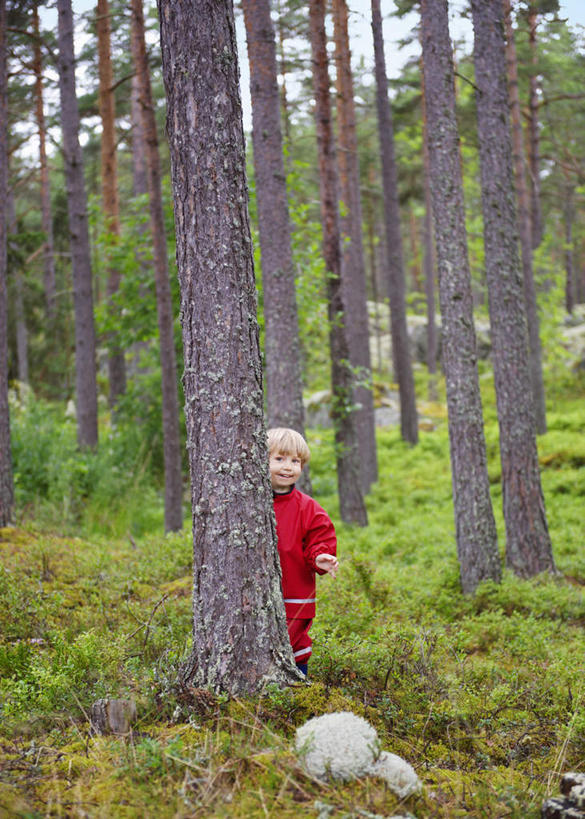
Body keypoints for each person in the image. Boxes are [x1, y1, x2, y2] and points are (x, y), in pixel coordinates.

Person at [267, 427, 339, 676]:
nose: (287, 467)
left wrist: (321, 557)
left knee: (294, 645)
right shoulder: (249, 502)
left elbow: (320, 539)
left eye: (295, 461)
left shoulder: (308, 508)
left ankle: (299, 684)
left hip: (296, 593)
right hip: (255, 595)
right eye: (279, 459)